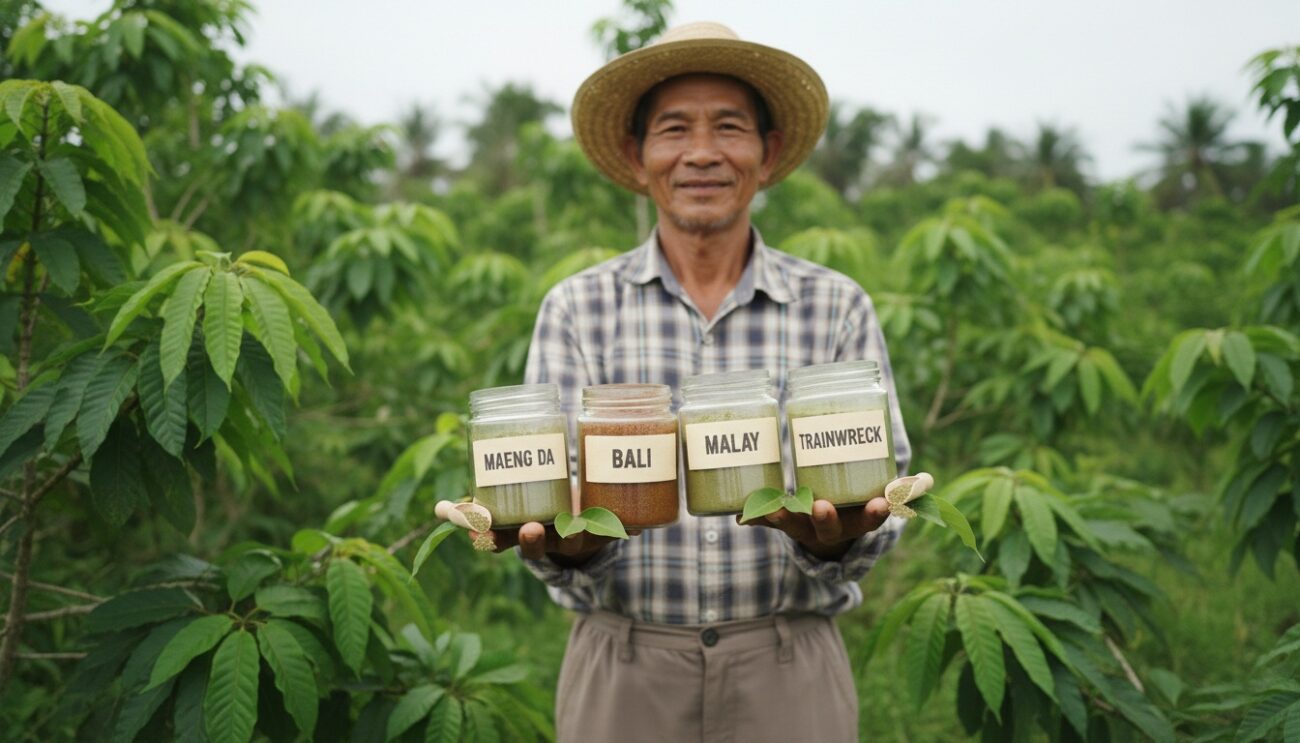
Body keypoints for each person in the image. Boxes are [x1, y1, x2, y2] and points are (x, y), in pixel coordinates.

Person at [481, 21, 913, 743]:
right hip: (623, 668)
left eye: (730, 128)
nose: (703, 153)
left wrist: (832, 542)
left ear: (768, 153)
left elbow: (886, 495)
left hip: (788, 663)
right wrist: (567, 544)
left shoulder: (836, 304)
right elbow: (550, 498)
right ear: (637, 154)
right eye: (675, 128)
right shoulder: (578, 307)